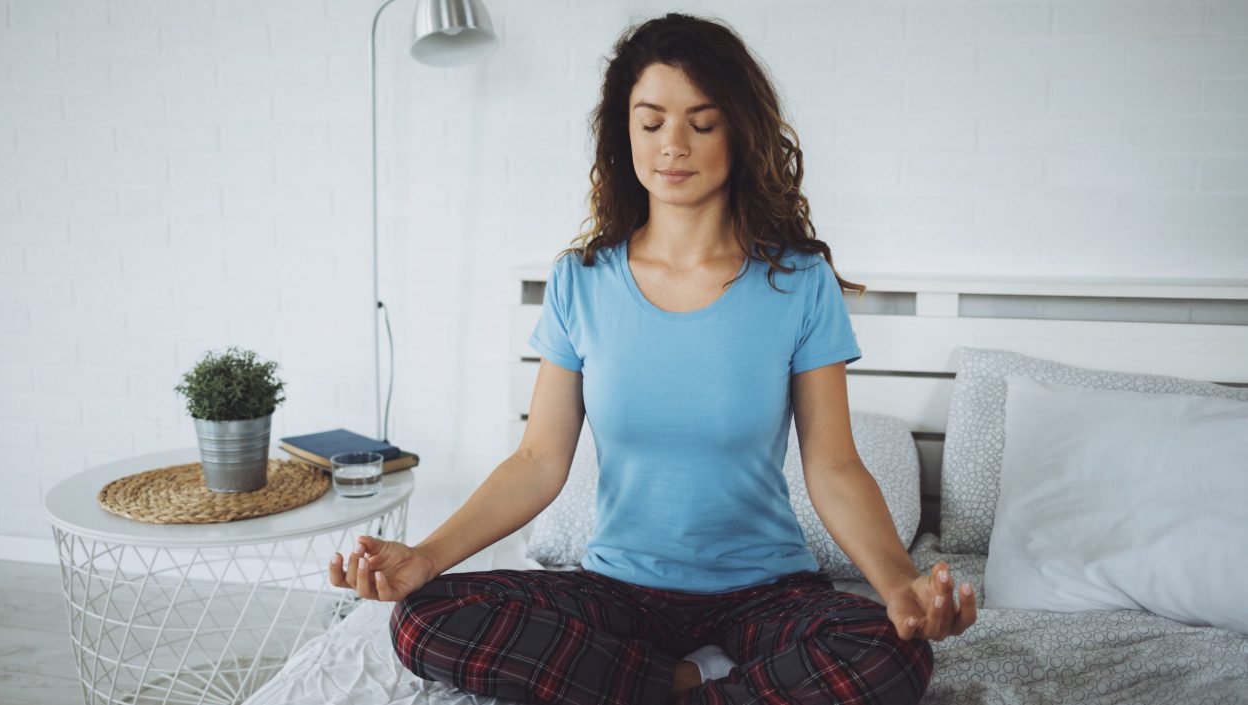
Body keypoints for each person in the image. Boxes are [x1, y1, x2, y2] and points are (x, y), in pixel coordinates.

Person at [328, 12, 976, 705]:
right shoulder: (581, 280)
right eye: (651, 121)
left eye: (702, 122)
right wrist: (424, 556)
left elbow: (835, 466)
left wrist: (901, 585)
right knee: (425, 618)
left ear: (739, 132)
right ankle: (686, 687)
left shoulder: (798, 281)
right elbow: (538, 463)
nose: (674, 145)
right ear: (624, 132)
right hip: (617, 591)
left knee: (891, 655)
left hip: (766, 591)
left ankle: (630, 690)